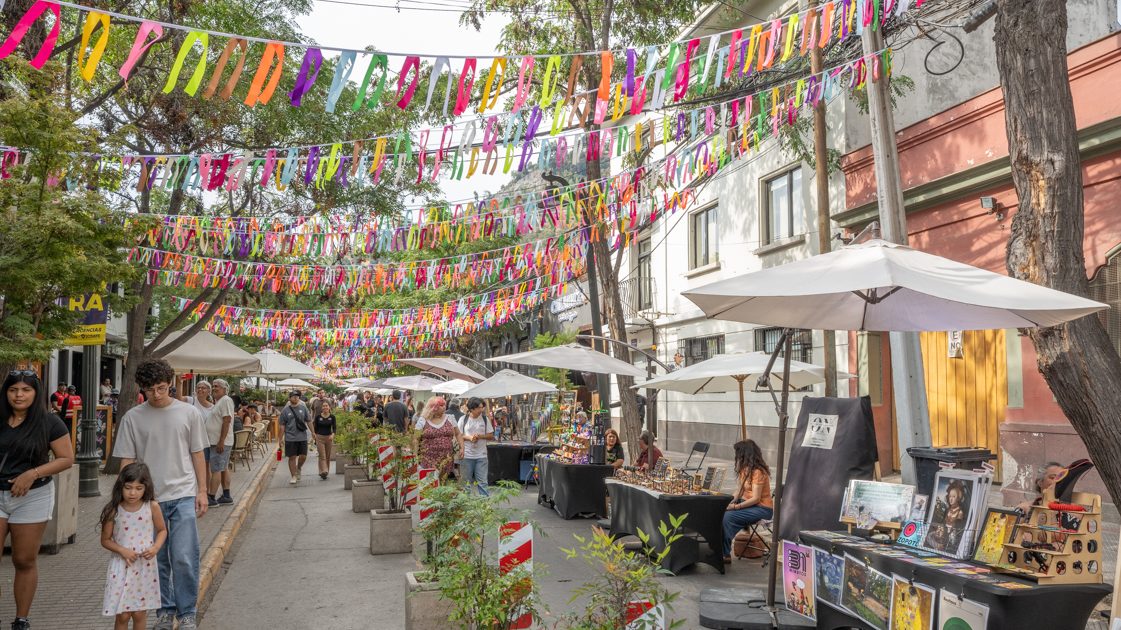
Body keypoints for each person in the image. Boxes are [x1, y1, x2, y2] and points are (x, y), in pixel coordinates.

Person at [113, 358, 209, 630]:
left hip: (182, 494)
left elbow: (198, 453)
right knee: (156, 560)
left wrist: (202, 491)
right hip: (148, 500)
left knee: (184, 557)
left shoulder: (189, 414)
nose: (156, 394)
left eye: (161, 388)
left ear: (171, 384)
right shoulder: (133, 417)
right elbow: (127, 462)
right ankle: (164, 611)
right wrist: (125, 499)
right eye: (150, 389)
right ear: (141, 388)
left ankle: (187, 611)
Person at [0, 370, 75, 630]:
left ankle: (21, 619)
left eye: (25, 390)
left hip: (33, 496)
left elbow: (67, 459)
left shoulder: (49, 422)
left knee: (23, 559)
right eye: (13, 390)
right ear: (6, 392)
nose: (19, 395)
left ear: (36, 393)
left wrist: (32, 474)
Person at [100, 462, 166, 630]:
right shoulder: (113, 510)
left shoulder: (152, 507)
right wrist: (122, 550)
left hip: (144, 567)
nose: (132, 493)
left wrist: (155, 547)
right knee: (122, 614)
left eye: (138, 488)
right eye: (128, 487)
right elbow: (105, 540)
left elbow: (162, 530)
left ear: (146, 488)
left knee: (139, 613)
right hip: (122, 566)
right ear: (120, 486)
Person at [721, 439, 774, 563]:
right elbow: (739, 491)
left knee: (727, 517)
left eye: (738, 454)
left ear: (745, 454)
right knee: (719, 511)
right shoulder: (744, 470)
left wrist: (734, 507)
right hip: (749, 505)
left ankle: (725, 554)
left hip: (762, 508)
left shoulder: (758, 472)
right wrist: (728, 502)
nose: (737, 457)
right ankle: (718, 548)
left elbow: (756, 499)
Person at [414, 397, 462, 479]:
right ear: (433, 407)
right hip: (428, 460)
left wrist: (462, 448)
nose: (444, 407)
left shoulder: (450, 418)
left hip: (446, 459)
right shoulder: (423, 420)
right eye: (441, 405)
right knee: (430, 484)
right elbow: (416, 439)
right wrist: (415, 456)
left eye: (444, 405)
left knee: (444, 486)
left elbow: (458, 434)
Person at [206, 380, 236, 507]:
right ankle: (226, 495)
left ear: (224, 389)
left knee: (216, 469)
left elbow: (227, 420)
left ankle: (211, 498)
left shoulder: (226, 400)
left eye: (216, 386)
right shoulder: (219, 402)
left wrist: (221, 441)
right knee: (223, 468)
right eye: (213, 386)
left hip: (220, 442)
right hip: (217, 442)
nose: (214, 388)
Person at [459, 398, 494, 496]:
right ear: (472, 408)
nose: (481, 410)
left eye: (482, 407)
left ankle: (484, 506)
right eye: (479, 408)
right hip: (467, 455)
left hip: (481, 456)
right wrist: (469, 437)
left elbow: (491, 435)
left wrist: (480, 436)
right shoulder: (463, 419)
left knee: (483, 482)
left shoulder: (484, 419)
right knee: (466, 483)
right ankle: (466, 506)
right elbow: (458, 435)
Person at [188, 381, 215, 507]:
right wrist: (179, 381)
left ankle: (206, 493)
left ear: (208, 391)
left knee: (205, 467)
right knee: (192, 467)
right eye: (198, 387)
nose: (200, 390)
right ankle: (193, 493)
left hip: (205, 441)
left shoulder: (213, 407)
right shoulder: (191, 401)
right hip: (191, 439)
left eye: (203, 388)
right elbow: (178, 398)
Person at [278, 391, 310, 485]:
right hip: (290, 437)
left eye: (297, 396)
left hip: (302, 437)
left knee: (303, 456)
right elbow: (282, 426)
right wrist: (280, 439)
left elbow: (309, 421)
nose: (296, 398)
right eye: (293, 396)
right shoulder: (285, 411)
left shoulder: (303, 408)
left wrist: (313, 432)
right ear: (289, 398)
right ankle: (293, 476)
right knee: (292, 457)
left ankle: (298, 467)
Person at [313, 402, 337, 480]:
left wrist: (333, 434)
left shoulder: (332, 417)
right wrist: (315, 436)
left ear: (329, 407)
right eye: (323, 406)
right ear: (322, 408)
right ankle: (324, 470)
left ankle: (324, 472)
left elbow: (334, 427)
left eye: (326, 406)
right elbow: (315, 428)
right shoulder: (318, 417)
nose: (325, 407)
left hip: (329, 438)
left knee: (327, 455)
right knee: (322, 455)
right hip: (320, 437)